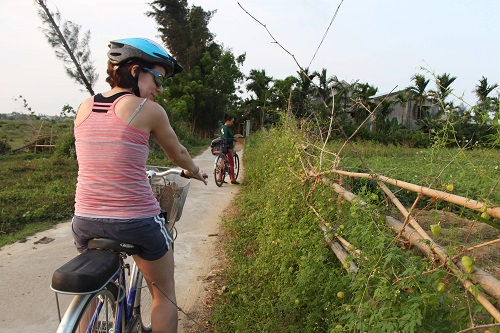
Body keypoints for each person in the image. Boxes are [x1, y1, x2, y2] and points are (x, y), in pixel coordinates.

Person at [71, 37, 207, 333]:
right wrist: (194, 170)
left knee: (87, 297)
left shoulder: (83, 107)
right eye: (158, 78)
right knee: (164, 295)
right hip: (135, 221)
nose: (160, 88)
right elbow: (179, 154)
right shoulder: (148, 109)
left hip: (84, 220)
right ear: (135, 70)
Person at [220, 114, 239, 185]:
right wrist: (233, 139)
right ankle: (233, 180)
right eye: (232, 121)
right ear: (228, 121)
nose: (232, 123)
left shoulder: (222, 127)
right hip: (227, 147)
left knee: (222, 162)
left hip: (222, 147)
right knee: (231, 164)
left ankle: (219, 178)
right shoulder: (226, 128)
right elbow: (226, 138)